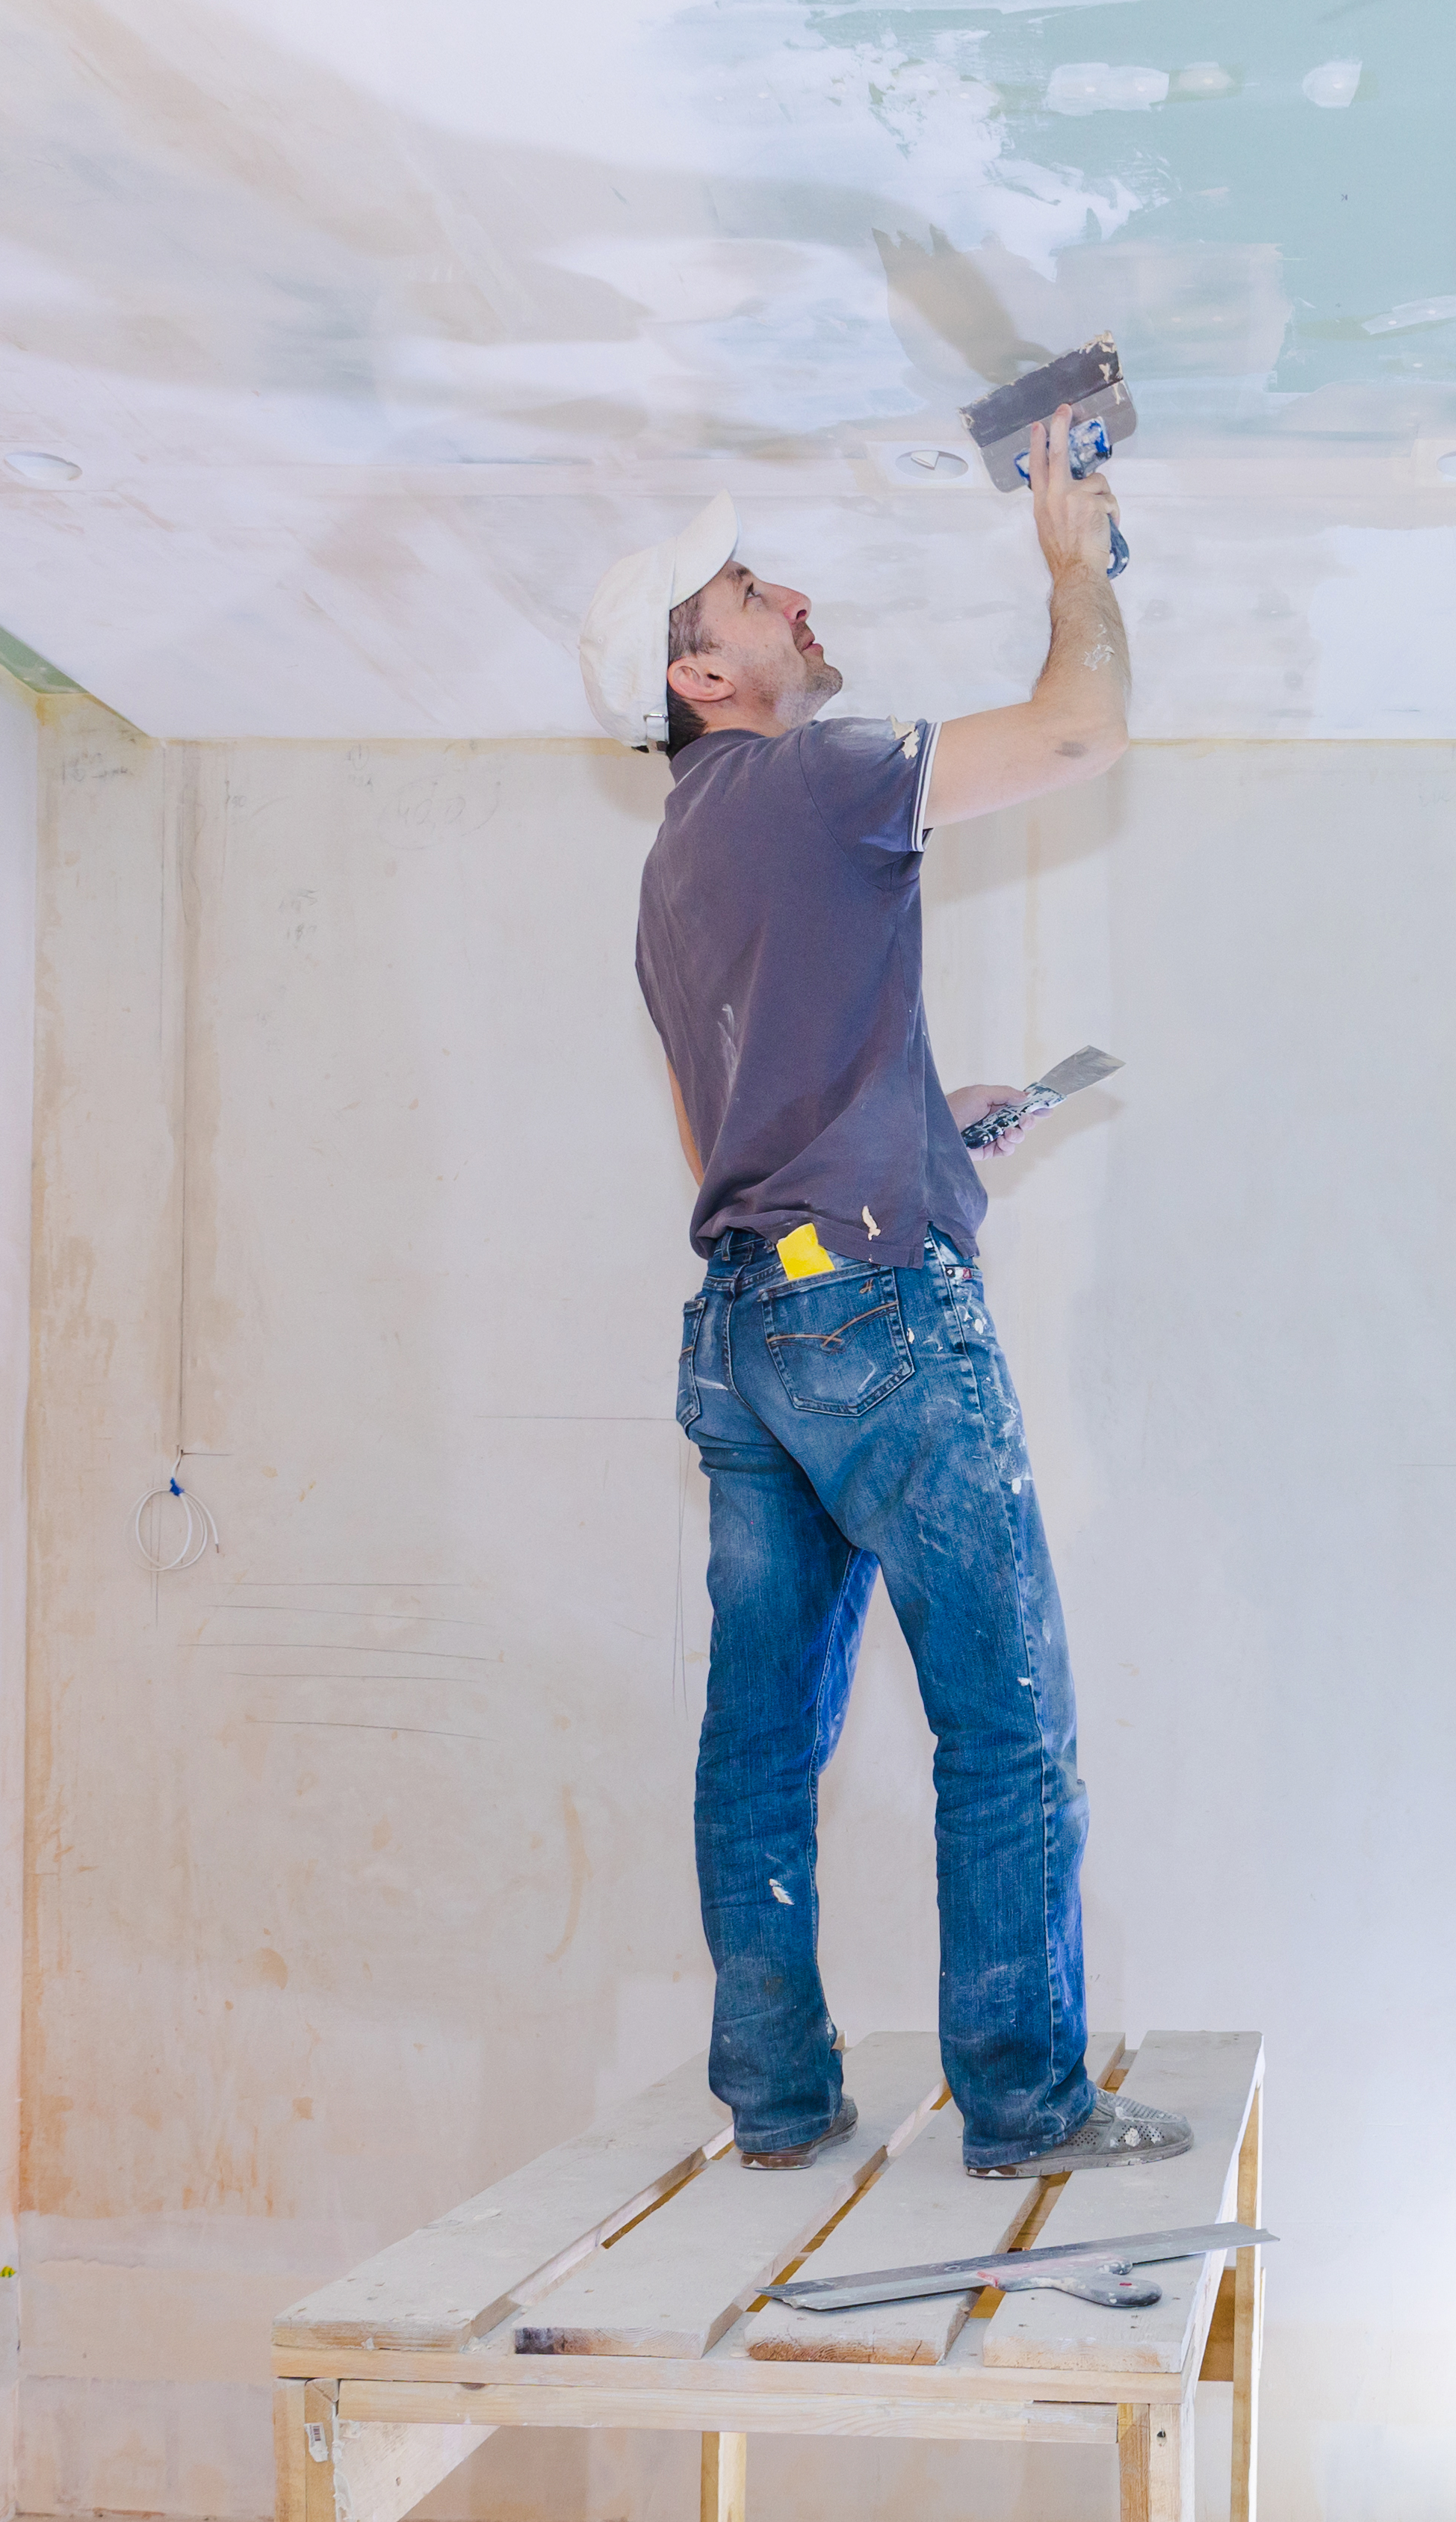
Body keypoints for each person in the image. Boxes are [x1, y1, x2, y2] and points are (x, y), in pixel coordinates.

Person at [575, 411, 1186, 2181]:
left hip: (750, 1334)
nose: (793, 598)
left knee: (760, 1740)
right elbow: (1083, 727)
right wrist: (1071, 565)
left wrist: (936, 1131)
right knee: (1004, 1719)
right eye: (753, 594)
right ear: (705, 671)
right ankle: (1025, 2103)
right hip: (880, 1325)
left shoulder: (671, 870)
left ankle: (774, 2102)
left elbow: (729, 1144)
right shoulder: (811, 775)